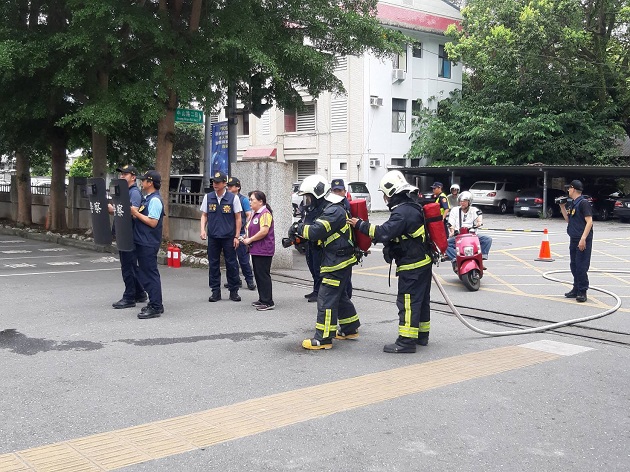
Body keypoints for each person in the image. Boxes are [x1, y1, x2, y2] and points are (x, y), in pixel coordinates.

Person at [350, 170, 432, 353]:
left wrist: (360, 225)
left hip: (412, 265)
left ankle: (406, 341)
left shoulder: (402, 213)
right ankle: (421, 335)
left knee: (408, 302)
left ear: (392, 193)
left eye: (385, 195)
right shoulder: (411, 207)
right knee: (421, 301)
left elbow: (382, 232)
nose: (385, 199)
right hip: (422, 262)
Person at [293, 175, 360, 350]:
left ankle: (323, 339)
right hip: (339, 258)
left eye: (308, 197)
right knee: (339, 296)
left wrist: (297, 228)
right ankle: (350, 328)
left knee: (326, 298)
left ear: (317, 194)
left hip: (337, 261)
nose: (307, 201)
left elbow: (316, 231)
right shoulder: (329, 207)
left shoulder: (333, 211)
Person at [200, 171, 242, 302]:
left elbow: (238, 218)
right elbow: (204, 215)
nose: (215, 184)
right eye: (214, 182)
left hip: (229, 236)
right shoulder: (208, 197)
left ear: (225, 184)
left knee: (231, 264)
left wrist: (236, 236)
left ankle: (234, 291)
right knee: (213, 264)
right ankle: (215, 291)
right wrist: (202, 230)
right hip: (213, 236)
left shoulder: (233, 198)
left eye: (218, 182)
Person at [109, 164, 147, 309]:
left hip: (129, 234)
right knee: (130, 265)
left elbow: (134, 211)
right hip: (124, 232)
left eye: (125, 174)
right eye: (121, 174)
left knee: (128, 266)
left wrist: (115, 208)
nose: (122, 176)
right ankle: (139, 292)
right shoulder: (124, 192)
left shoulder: (134, 193)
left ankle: (129, 297)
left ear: (133, 176)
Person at [130, 170, 165, 319]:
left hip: (148, 242)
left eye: (143, 180)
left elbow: (152, 222)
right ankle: (155, 303)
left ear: (150, 183)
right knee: (146, 274)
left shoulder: (155, 200)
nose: (141, 182)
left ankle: (156, 306)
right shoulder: (147, 198)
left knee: (150, 274)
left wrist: (136, 214)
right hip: (142, 241)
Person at [559, 180, 593, 303]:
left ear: (573, 189)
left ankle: (582, 291)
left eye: (569, 188)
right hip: (573, 238)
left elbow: (589, 222)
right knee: (574, 265)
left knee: (581, 266)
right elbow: (568, 220)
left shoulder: (583, 203)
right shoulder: (573, 203)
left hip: (582, 239)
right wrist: (562, 206)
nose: (568, 190)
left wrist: (583, 239)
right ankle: (576, 288)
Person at [242, 191, 275, 311]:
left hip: (264, 249)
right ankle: (262, 298)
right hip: (256, 249)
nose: (250, 202)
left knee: (263, 275)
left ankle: (268, 301)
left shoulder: (265, 213)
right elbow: (250, 228)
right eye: (249, 200)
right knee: (258, 274)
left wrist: (250, 239)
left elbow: (264, 231)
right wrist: (246, 237)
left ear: (260, 201)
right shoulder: (255, 213)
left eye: (252, 200)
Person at [226, 176, 256, 291]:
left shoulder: (242, 199)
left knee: (243, 260)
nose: (228, 187)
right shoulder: (227, 199)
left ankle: (249, 280)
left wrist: (247, 229)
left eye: (231, 186)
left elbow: (249, 215)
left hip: (241, 233)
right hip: (229, 233)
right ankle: (234, 281)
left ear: (237, 187)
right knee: (231, 260)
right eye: (227, 186)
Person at [445, 191, 493, 263]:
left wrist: (479, 223)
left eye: (464, 201)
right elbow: (450, 223)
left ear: (469, 202)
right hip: (458, 236)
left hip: (472, 236)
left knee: (487, 239)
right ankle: (455, 259)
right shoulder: (455, 210)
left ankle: (481, 258)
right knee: (444, 244)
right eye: (461, 201)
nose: (462, 203)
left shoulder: (474, 210)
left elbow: (479, 215)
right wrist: (452, 231)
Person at [331, 178, 353, 299]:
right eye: (335, 191)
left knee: (346, 276)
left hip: (346, 245)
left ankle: (346, 299)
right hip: (335, 246)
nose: (337, 193)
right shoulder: (332, 205)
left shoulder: (346, 205)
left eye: (340, 191)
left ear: (344, 191)